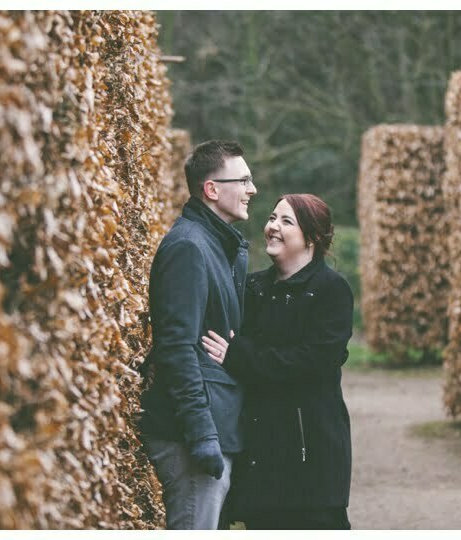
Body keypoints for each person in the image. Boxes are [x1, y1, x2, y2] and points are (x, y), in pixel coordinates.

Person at [201, 193, 354, 530]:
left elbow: (313, 362)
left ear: (312, 237)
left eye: (286, 221)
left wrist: (238, 355)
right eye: (272, 218)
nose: (272, 227)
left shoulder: (331, 289)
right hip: (259, 446)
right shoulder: (253, 287)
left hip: (309, 450)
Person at [138, 140, 257, 529]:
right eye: (243, 180)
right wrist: (203, 436)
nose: (251, 190)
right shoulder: (189, 247)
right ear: (211, 189)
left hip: (213, 427)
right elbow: (176, 348)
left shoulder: (215, 245)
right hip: (192, 436)